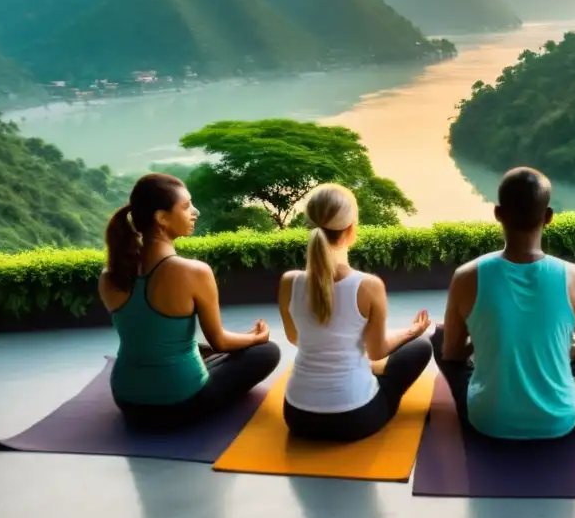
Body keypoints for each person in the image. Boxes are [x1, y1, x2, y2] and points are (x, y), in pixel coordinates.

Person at [432, 166, 575, 440]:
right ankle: (565, 354)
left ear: (498, 214)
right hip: (558, 420)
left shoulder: (466, 276)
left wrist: (487, 340)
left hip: (487, 420)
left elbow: (454, 354)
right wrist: (571, 350)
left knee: (439, 338)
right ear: (549, 216)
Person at [98, 173, 281, 431]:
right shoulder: (194, 271)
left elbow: (149, 331)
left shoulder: (108, 277)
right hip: (180, 403)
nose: (195, 212)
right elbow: (220, 341)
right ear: (161, 218)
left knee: (188, 345)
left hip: (127, 399)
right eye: (186, 207)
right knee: (267, 351)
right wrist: (255, 338)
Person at [278, 183, 433, 442]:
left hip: (297, 416)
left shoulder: (289, 282)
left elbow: (296, 339)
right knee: (420, 346)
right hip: (354, 418)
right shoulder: (369, 286)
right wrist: (412, 331)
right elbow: (377, 351)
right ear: (351, 229)